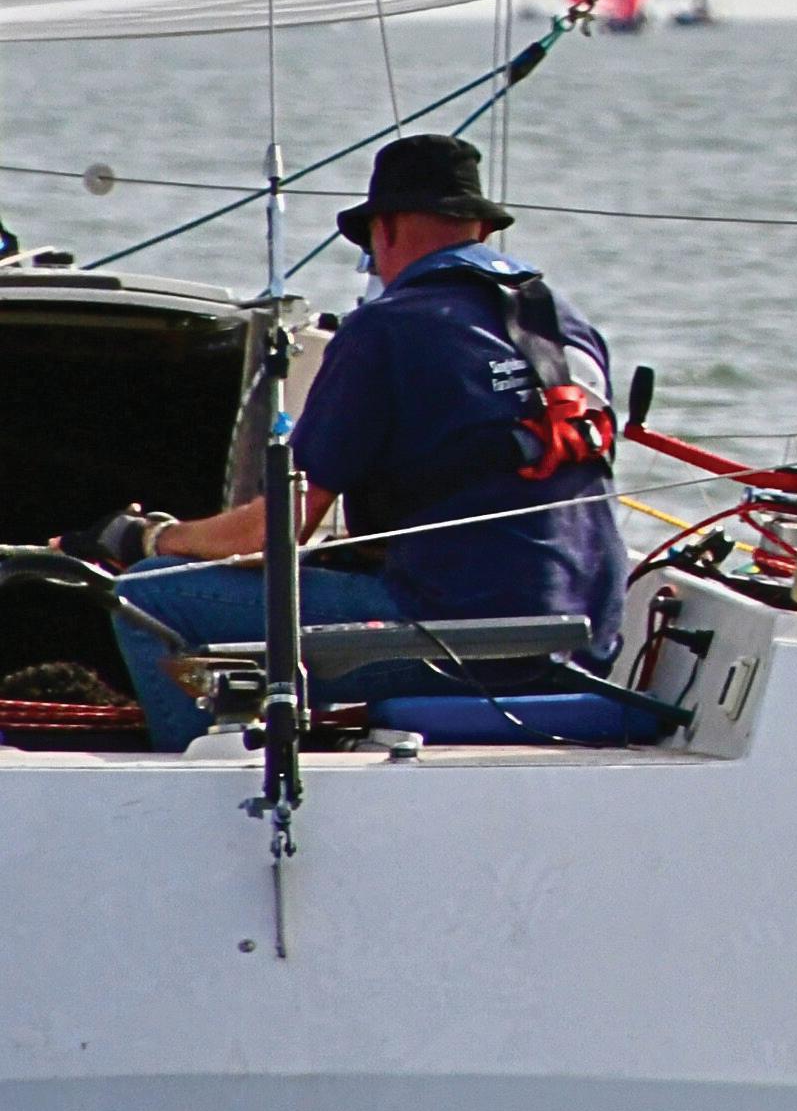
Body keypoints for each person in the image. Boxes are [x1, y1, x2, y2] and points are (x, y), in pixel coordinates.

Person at [85, 134, 627, 751]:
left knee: (149, 596)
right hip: (588, 642)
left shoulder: (388, 329)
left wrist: (150, 538)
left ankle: (198, 793)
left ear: (385, 230)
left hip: (474, 647)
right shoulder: (566, 322)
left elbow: (272, 533)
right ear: (478, 226)